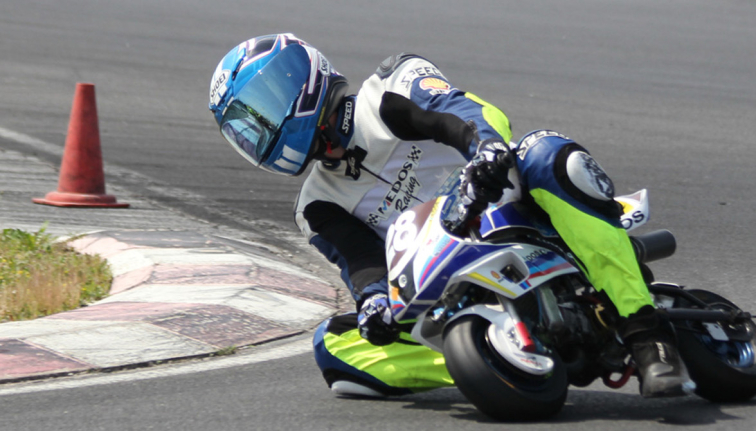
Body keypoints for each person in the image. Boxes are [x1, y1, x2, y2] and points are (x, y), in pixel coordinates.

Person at [208, 33, 693, 399]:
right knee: (334, 346)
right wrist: (373, 302)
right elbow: (362, 263)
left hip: (508, 205)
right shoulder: (315, 205)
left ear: (302, 78)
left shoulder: (388, 88)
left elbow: (460, 112)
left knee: (545, 151)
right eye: (248, 125)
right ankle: (496, 357)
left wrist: (484, 149)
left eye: (264, 105)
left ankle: (647, 335)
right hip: (447, 277)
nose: (263, 128)